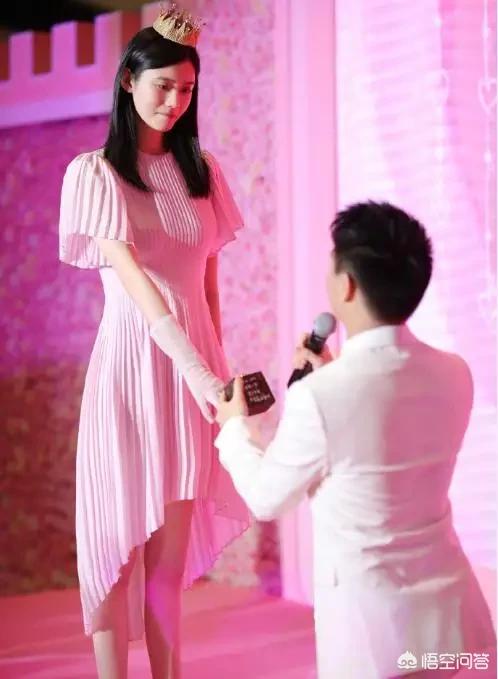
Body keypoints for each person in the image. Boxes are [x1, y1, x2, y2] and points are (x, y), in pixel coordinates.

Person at [215, 201, 496, 678]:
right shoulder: (456, 373)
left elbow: (266, 498)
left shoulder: (319, 397)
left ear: (346, 285)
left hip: (374, 637)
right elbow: (386, 423)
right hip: (450, 625)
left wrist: (234, 427)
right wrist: (333, 375)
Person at [58, 6, 250, 679]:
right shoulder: (95, 173)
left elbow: (208, 292)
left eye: (186, 89)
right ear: (128, 82)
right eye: (162, 85)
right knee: (116, 550)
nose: (174, 101)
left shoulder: (204, 174)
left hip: (193, 377)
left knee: (167, 567)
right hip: (130, 372)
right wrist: (201, 373)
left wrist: (219, 380)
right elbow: (140, 288)